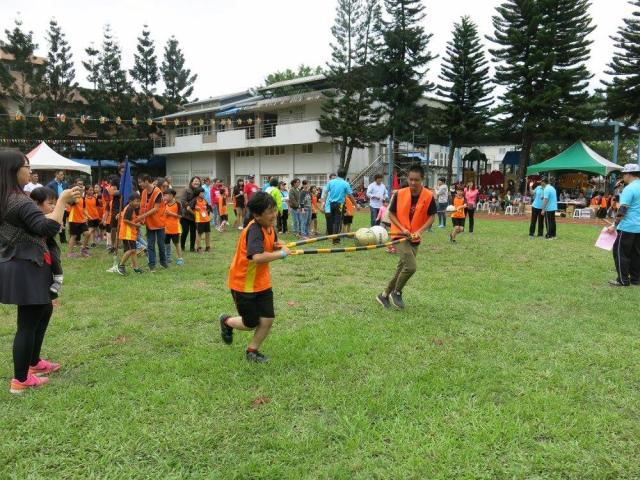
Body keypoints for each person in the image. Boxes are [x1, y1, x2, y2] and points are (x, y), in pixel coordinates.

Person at [0, 150, 81, 394]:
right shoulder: (18, 201)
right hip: (26, 265)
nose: (30, 171)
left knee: (44, 308)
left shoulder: (8, 197)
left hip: (21, 262)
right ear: (14, 170)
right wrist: (62, 201)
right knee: (27, 323)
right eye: (27, 166)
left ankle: (33, 362)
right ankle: (20, 380)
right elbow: (47, 227)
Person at [219, 191, 290, 363]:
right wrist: (282, 254)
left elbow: (270, 246)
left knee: (267, 319)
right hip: (243, 284)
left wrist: (278, 246)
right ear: (257, 215)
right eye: (270, 212)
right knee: (250, 323)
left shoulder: (269, 226)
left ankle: (252, 351)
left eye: (274, 210)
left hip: (262, 282)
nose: (274, 215)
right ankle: (226, 321)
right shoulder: (254, 230)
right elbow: (257, 257)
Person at [376, 163, 437, 310]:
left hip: (414, 237)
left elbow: (432, 216)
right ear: (407, 178)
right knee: (411, 267)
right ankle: (396, 292)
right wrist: (402, 228)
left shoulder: (428, 195)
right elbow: (391, 213)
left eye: (416, 180)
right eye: (411, 179)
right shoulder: (400, 193)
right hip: (399, 235)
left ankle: (384, 295)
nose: (413, 183)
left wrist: (420, 231)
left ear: (422, 179)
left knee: (401, 268)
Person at [607, 164, 640, 287]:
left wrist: (614, 225)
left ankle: (622, 280)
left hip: (627, 227)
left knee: (620, 253)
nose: (623, 177)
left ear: (629, 174)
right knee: (637, 254)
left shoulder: (629, 189)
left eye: (624, 174)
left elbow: (623, 209)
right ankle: (636, 279)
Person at [30, 187, 64, 298]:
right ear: (36, 203)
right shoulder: (30, 216)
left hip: (49, 244)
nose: (53, 207)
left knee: (54, 257)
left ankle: (58, 278)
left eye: (54, 204)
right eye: (50, 203)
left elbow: (55, 229)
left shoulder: (51, 215)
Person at [137, 174, 167, 270]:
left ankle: (163, 263)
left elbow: (156, 208)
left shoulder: (157, 192)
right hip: (149, 223)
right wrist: (141, 219)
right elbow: (142, 207)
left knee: (161, 244)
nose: (139, 184)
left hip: (159, 222)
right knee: (150, 245)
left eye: (140, 182)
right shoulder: (144, 192)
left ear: (146, 181)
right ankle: (152, 265)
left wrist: (142, 216)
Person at [321, 168, 357, 244]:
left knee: (332, 221)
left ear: (337, 173)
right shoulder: (345, 183)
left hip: (331, 204)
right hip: (340, 204)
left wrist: (323, 203)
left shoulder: (331, 182)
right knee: (338, 222)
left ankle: (332, 237)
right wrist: (356, 205)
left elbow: (325, 193)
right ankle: (335, 240)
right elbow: (350, 196)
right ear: (345, 175)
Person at [116, 193, 144, 276]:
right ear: (130, 201)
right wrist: (135, 225)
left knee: (133, 251)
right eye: (136, 201)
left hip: (130, 233)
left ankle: (136, 268)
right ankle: (121, 266)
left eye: (139, 201)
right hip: (127, 234)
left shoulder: (131, 208)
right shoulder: (130, 209)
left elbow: (131, 219)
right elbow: (125, 220)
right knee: (130, 250)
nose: (138, 203)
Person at [67, 178, 91, 258]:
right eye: (79, 184)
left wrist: (88, 215)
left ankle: (83, 249)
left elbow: (83, 208)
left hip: (82, 219)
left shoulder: (82, 198)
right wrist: (77, 195)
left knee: (87, 233)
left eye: (82, 184)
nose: (81, 186)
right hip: (73, 219)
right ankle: (70, 253)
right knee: (73, 236)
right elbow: (73, 202)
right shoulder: (72, 196)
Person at [45, 170, 69, 243]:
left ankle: (63, 239)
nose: (62, 176)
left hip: (63, 205)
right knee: (54, 221)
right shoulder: (50, 184)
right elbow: (47, 193)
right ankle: (51, 237)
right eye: (61, 175)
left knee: (63, 222)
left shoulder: (64, 184)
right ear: (56, 175)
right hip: (54, 206)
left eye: (63, 175)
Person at [180, 176, 201, 252]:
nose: (196, 182)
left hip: (195, 215)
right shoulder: (186, 190)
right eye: (195, 181)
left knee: (193, 232)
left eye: (198, 181)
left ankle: (192, 248)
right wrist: (187, 206)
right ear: (191, 182)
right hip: (185, 215)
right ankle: (182, 247)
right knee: (185, 231)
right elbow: (183, 200)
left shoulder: (200, 191)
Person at [163, 189, 184, 266]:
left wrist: (170, 213)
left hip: (175, 228)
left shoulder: (178, 204)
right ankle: (168, 257)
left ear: (172, 195)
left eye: (166, 195)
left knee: (176, 243)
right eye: (164, 195)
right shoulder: (164, 204)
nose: (165, 197)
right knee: (166, 243)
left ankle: (180, 258)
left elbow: (180, 216)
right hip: (166, 228)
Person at [189, 187, 212, 252]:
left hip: (206, 220)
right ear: (198, 193)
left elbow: (209, 208)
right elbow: (188, 208)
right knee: (199, 234)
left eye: (203, 192)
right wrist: (194, 214)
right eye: (202, 193)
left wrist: (207, 213)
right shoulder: (194, 200)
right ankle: (198, 248)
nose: (203, 194)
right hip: (199, 220)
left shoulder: (204, 200)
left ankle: (208, 247)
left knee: (208, 233)